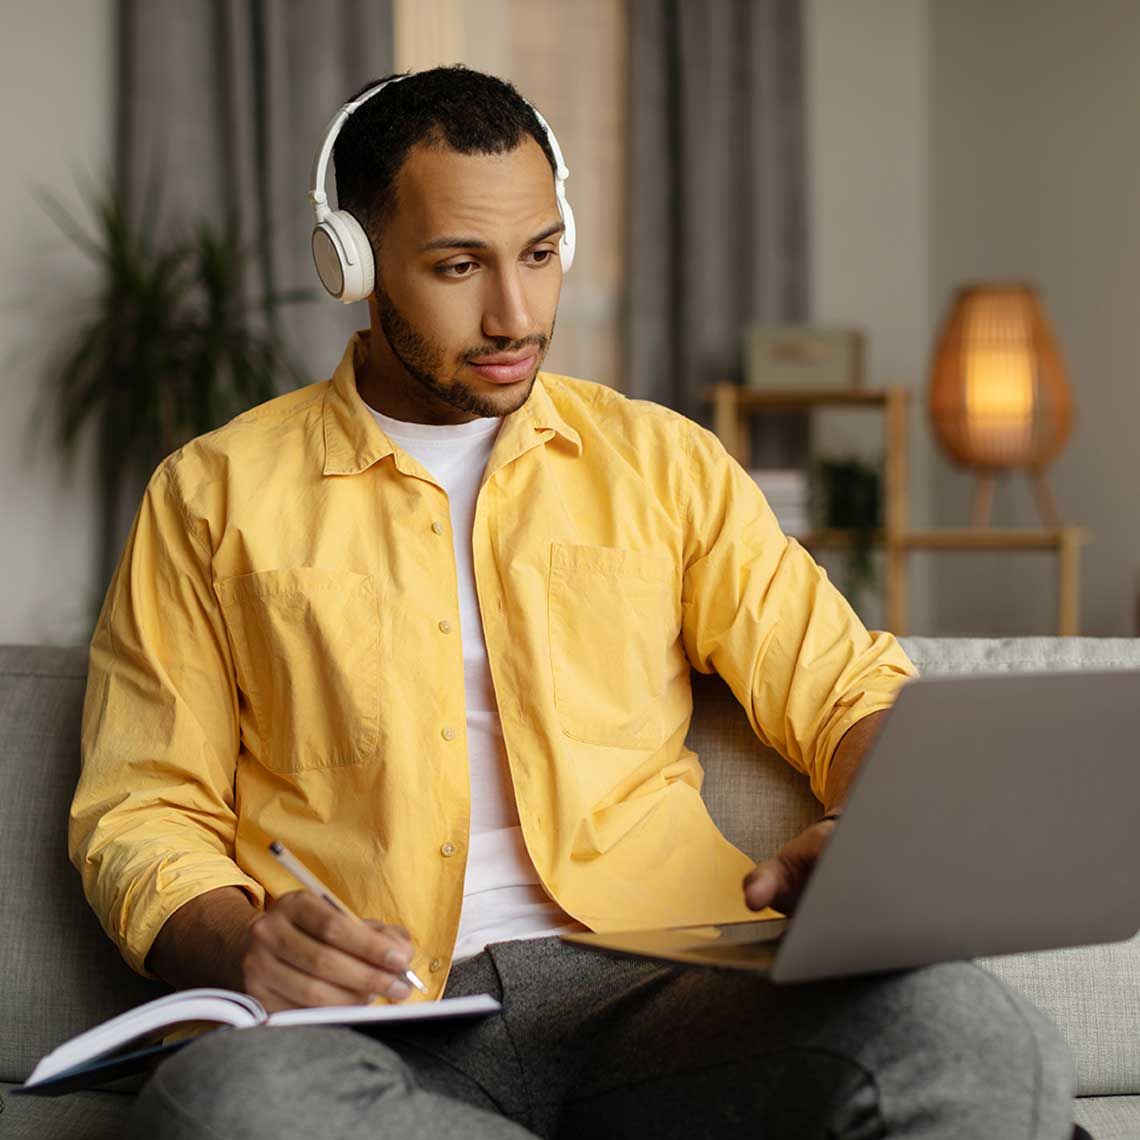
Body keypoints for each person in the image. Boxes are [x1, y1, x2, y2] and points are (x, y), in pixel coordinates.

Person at [71, 65, 1077, 1139]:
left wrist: (872, 825)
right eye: (459, 266)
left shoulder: (662, 463)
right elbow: (144, 808)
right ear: (352, 263)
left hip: (665, 992)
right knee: (228, 1107)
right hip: (377, 1028)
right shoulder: (210, 493)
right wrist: (243, 944)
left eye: (541, 256)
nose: (515, 313)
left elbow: (847, 688)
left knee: (967, 1028)